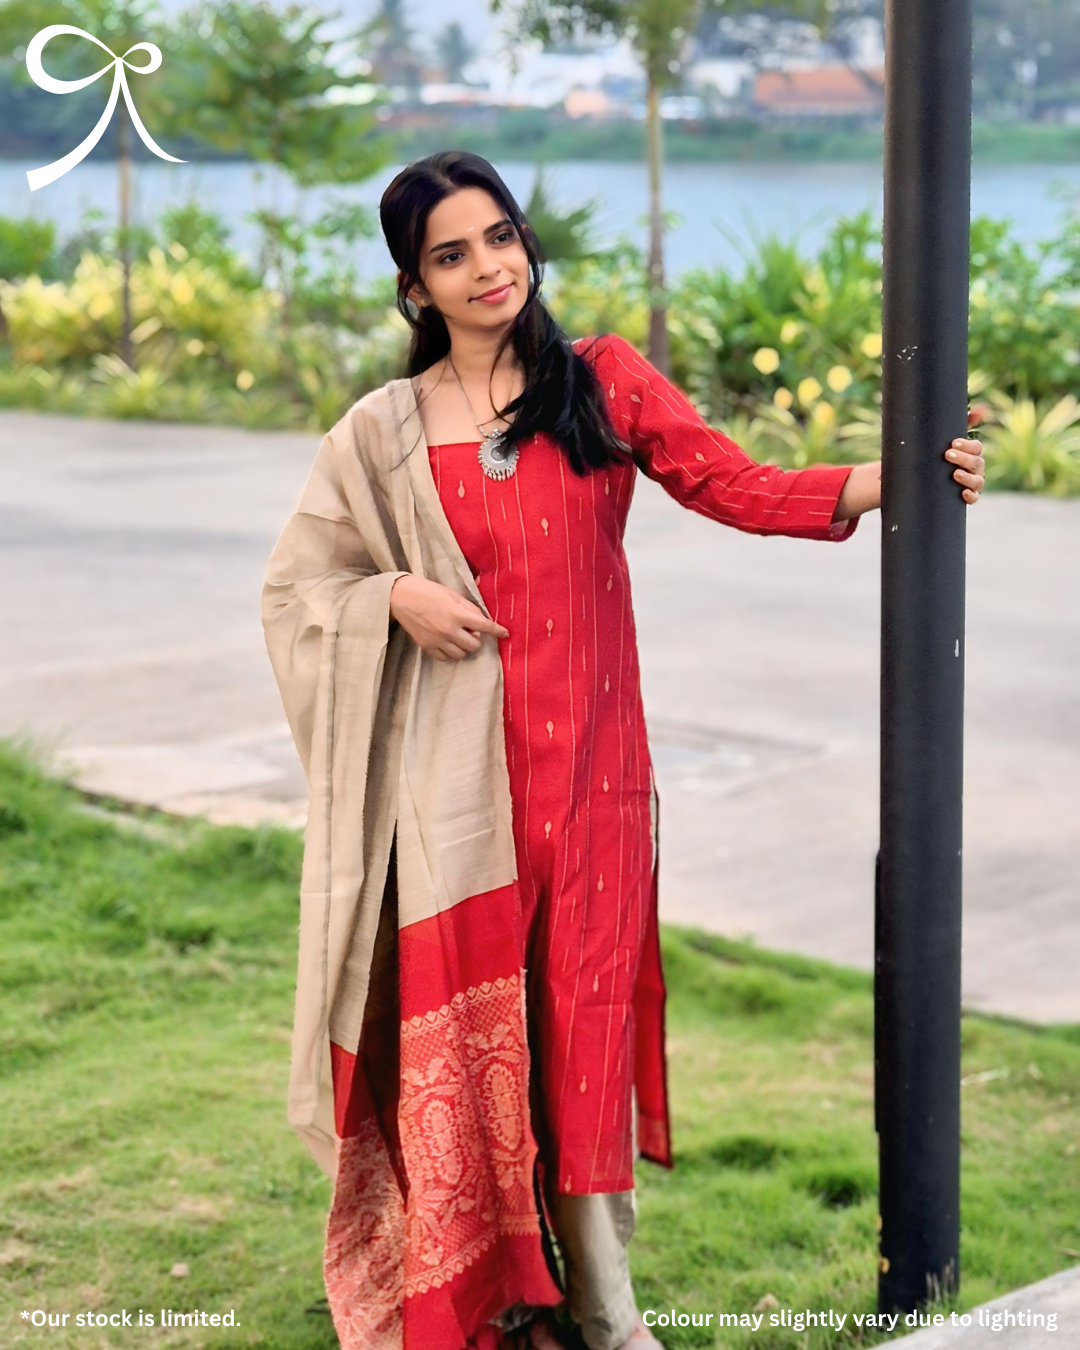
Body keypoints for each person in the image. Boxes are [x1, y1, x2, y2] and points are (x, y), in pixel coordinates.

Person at [261, 150, 986, 1350]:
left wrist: (896, 475)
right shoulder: (383, 434)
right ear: (414, 284)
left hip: (593, 785)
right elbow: (299, 587)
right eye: (452, 254)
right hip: (453, 811)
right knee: (478, 1052)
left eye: (500, 236)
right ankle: (497, 1297)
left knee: (579, 1037)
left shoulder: (599, 379)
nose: (489, 268)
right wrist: (392, 592)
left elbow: (734, 484)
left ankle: (607, 1314)